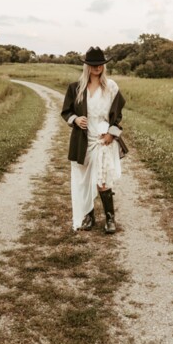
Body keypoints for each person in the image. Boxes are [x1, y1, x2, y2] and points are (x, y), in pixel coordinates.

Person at [61, 46, 128, 233]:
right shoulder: (76, 88)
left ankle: (110, 219)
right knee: (84, 179)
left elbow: (118, 116)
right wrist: (75, 119)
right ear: (87, 66)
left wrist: (111, 134)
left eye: (100, 64)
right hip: (83, 140)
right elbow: (66, 112)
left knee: (102, 179)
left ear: (103, 66)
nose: (97, 67)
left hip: (102, 140)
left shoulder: (111, 87)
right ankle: (89, 216)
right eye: (93, 64)